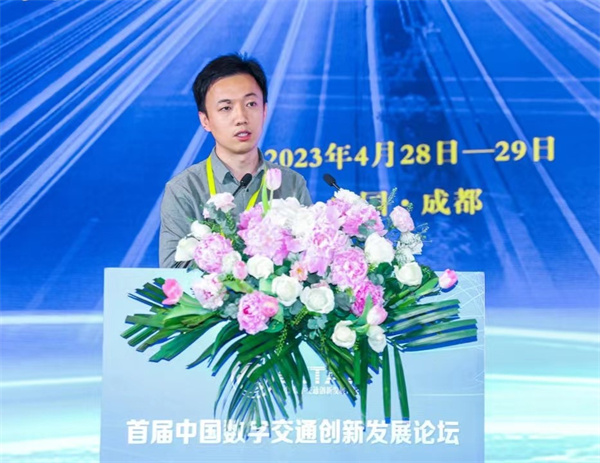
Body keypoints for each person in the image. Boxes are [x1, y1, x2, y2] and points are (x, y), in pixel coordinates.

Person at [159, 53, 312, 268]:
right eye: (226, 108)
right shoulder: (184, 189)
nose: (241, 118)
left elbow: (309, 260)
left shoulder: (291, 183)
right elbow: (173, 270)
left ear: (264, 110)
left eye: (250, 104)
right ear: (205, 120)